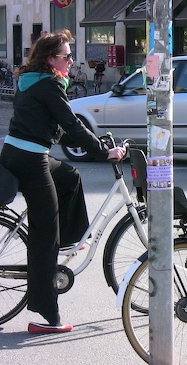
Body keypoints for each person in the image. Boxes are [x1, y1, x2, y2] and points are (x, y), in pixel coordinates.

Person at [0, 29, 126, 334]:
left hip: (16, 151)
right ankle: (48, 315)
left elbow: (63, 125)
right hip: (31, 160)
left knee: (69, 175)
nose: (71, 60)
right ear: (50, 59)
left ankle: (69, 240)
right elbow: (70, 123)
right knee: (45, 238)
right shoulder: (50, 85)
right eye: (66, 56)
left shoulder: (30, 81)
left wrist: (96, 145)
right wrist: (102, 151)